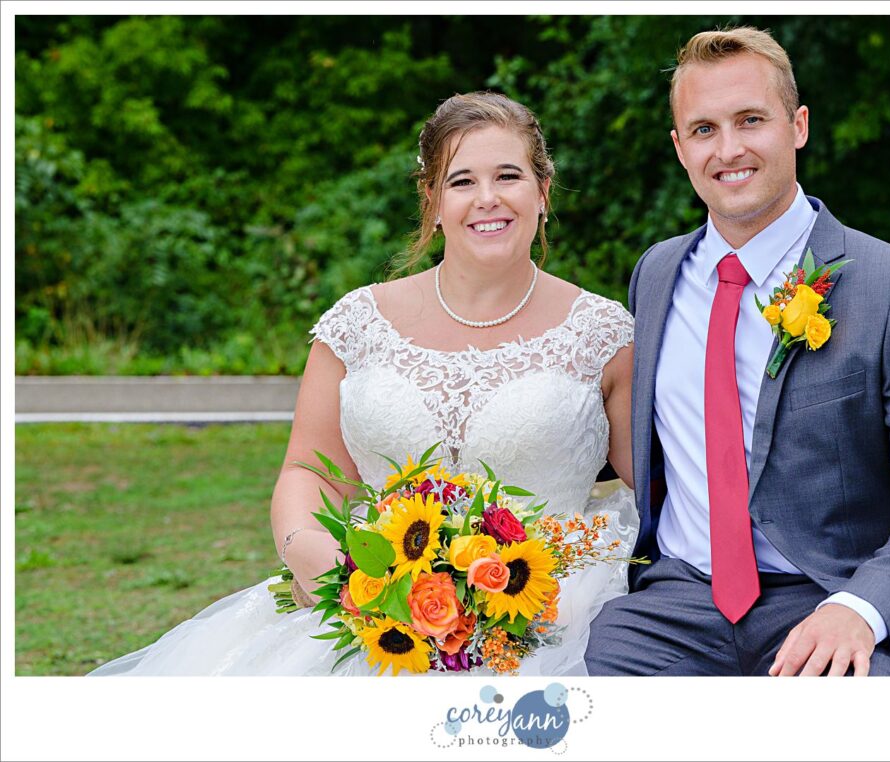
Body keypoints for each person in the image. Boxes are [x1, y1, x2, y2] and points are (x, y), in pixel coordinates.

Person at [89, 91, 638, 676]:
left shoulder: (604, 334)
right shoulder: (358, 324)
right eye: (460, 181)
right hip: (372, 614)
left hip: (551, 619)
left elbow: (662, 488)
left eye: (509, 175)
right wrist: (334, 571)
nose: (488, 199)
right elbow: (310, 472)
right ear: (430, 199)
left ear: (542, 192)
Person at [584, 27, 890, 676]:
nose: (730, 149)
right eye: (704, 129)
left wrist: (862, 606)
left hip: (832, 594)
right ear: (680, 148)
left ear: (798, 126)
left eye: (751, 120)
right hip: (679, 607)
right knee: (587, 703)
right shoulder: (658, 274)